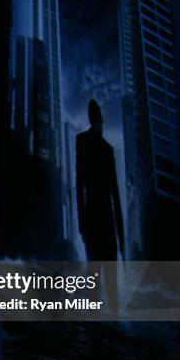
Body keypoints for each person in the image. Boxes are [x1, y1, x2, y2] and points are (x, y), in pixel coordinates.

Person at [76, 99, 125, 312]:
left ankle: (98, 329)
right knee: (105, 283)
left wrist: (82, 223)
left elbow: (81, 187)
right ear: (99, 119)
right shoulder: (104, 149)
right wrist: (121, 237)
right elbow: (114, 195)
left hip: (94, 222)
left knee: (96, 281)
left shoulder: (86, 143)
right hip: (102, 222)